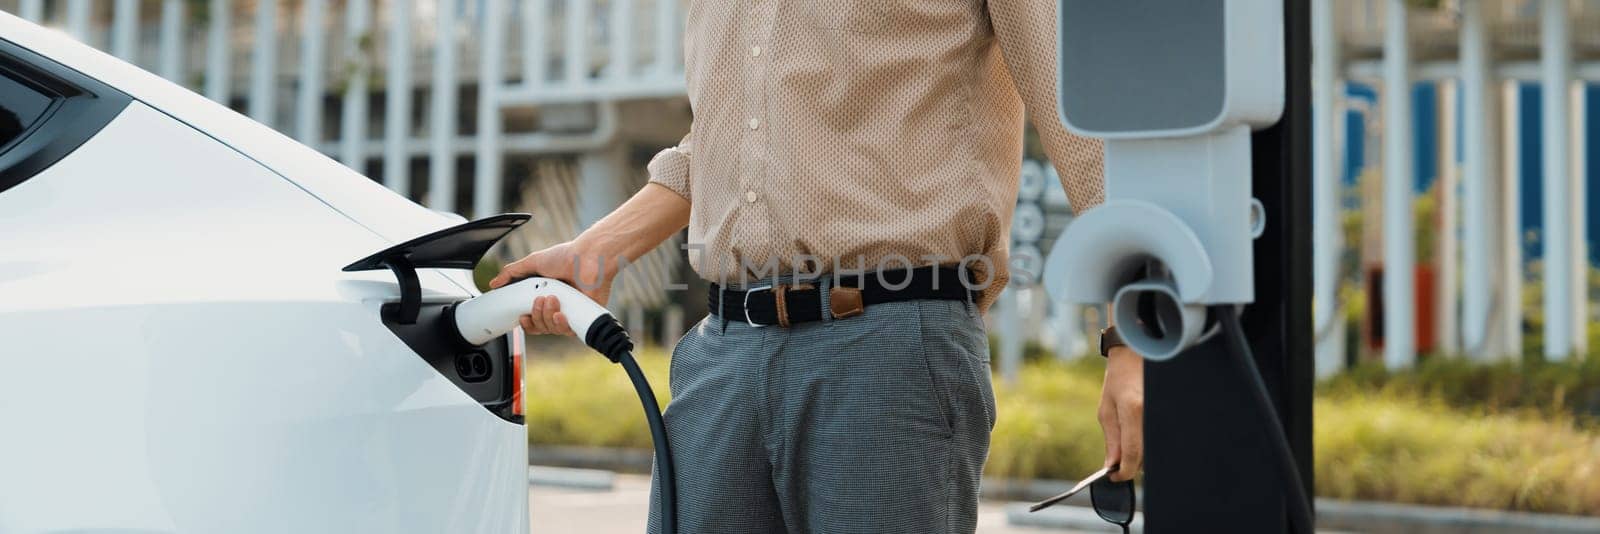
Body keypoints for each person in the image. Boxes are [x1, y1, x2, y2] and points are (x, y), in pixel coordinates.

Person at [492, 1, 1143, 531]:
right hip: (722, 356)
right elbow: (724, 142)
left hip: (888, 348)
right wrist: (597, 250)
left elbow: (1085, 125)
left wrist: (1130, 338)